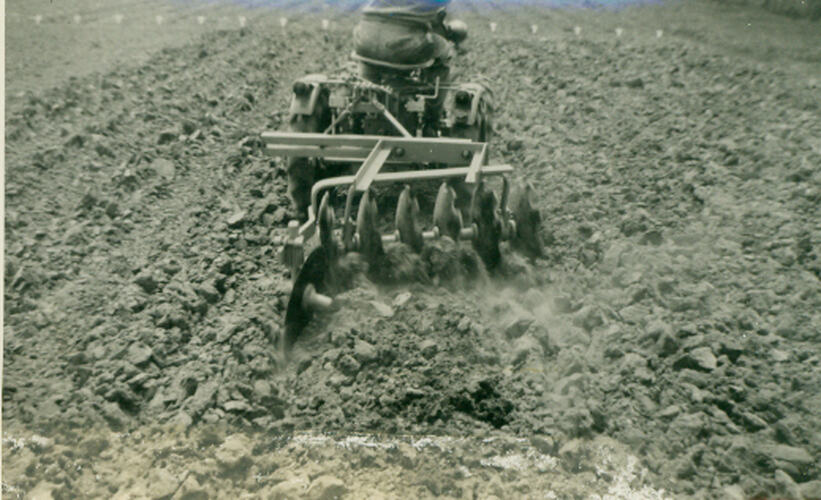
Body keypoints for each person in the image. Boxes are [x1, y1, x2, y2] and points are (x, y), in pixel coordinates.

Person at [353, 0, 457, 88]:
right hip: (403, 46)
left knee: (368, 59)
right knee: (444, 49)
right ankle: (433, 110)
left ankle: (366, 89)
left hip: (364, 37)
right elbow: (438, 18)